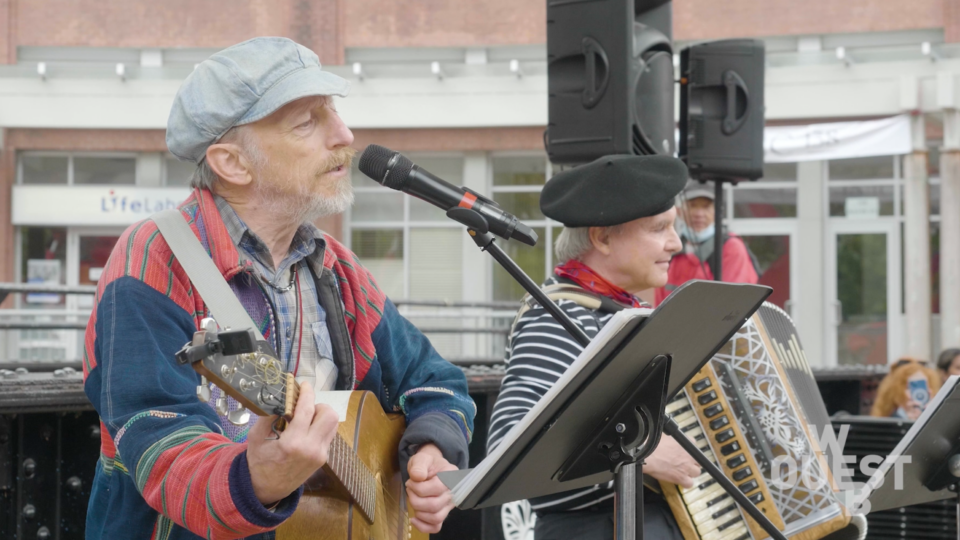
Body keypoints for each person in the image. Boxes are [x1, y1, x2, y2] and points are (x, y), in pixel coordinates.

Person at [82, 37, 475, 539]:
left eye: (332, 112)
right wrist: (256, 482)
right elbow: (158, 439)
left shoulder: (338, 268)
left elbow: (436, 379)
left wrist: (433, 447)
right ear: (233, 164)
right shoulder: (154, 260)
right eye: (307, 122)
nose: (345, 134)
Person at [488, 155, 702, 540]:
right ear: (602, 237)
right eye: (660, 229)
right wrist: (644, 454)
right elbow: (511, 444)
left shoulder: (627, 316)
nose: (676, 243)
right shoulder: (556, 317)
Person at [655, 180, 759, 305]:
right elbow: (659, 303)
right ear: (679, 211)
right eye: (693, 205)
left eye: (706, 206)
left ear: (717, 212)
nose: (699, 214)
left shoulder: (731, 248)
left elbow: (733, 305)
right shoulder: (671, 249)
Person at [870, 357, 941, 420]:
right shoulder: (889, 421)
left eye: (923, 386)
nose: (919, 393)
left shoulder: (937, 417)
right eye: (911, 387)